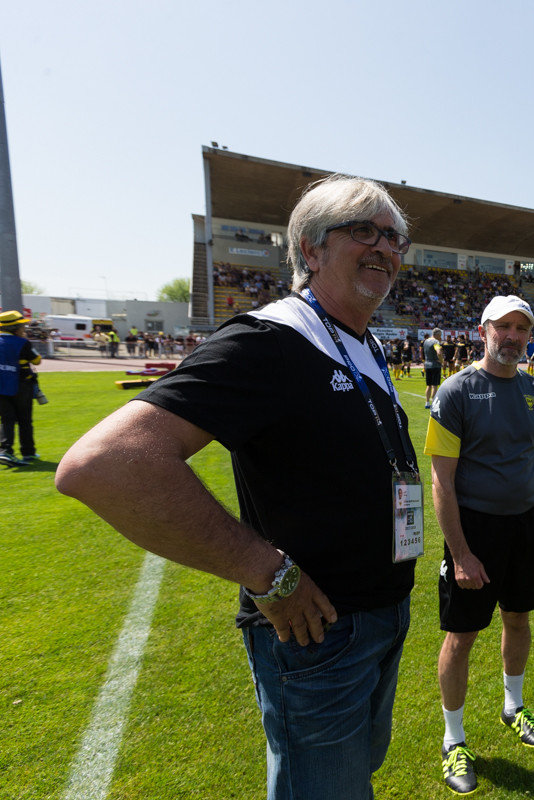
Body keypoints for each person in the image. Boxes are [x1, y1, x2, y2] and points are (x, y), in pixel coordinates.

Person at [56, 174, 423, 800]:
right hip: (319, 633)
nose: (385, 248)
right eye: (363, 230)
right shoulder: (271, 340)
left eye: (395, 238)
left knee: (353, 777)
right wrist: (266, 571)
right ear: (310, 249)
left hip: (380, 616)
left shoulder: (360, 344)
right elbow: (105, 462)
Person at [425, 295, 534, 794]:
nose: (512, 336)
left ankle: (513, 705)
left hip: (525, 528)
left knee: (518, 618)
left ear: (530, 336)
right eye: (503, 326)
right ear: (483, 330)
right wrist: (460, 552)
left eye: (521, 328)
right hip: (475, 531)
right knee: (461, 635)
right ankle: (453, 738)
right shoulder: (457, 392)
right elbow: (442, 481)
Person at [0, 311, 42, 466]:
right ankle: (28, 453)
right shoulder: (21, 342)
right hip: (21, 385)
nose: (24, 328)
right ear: (15, 327)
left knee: (6, 420)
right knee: (24, 420)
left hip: (1, 387)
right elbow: (37, 360)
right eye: (22, 325)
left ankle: (5, 451)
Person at [424, 327, 444, 408]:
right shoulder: (436, 342)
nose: (441, 337)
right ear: (437, 334)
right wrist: (441, 360)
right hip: (435, 365)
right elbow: (439, 352)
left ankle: (427, 402)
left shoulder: (426, 341)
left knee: (428, 385)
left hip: (427, 364)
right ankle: (433, 403)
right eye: (440, 335)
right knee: (434, 385)